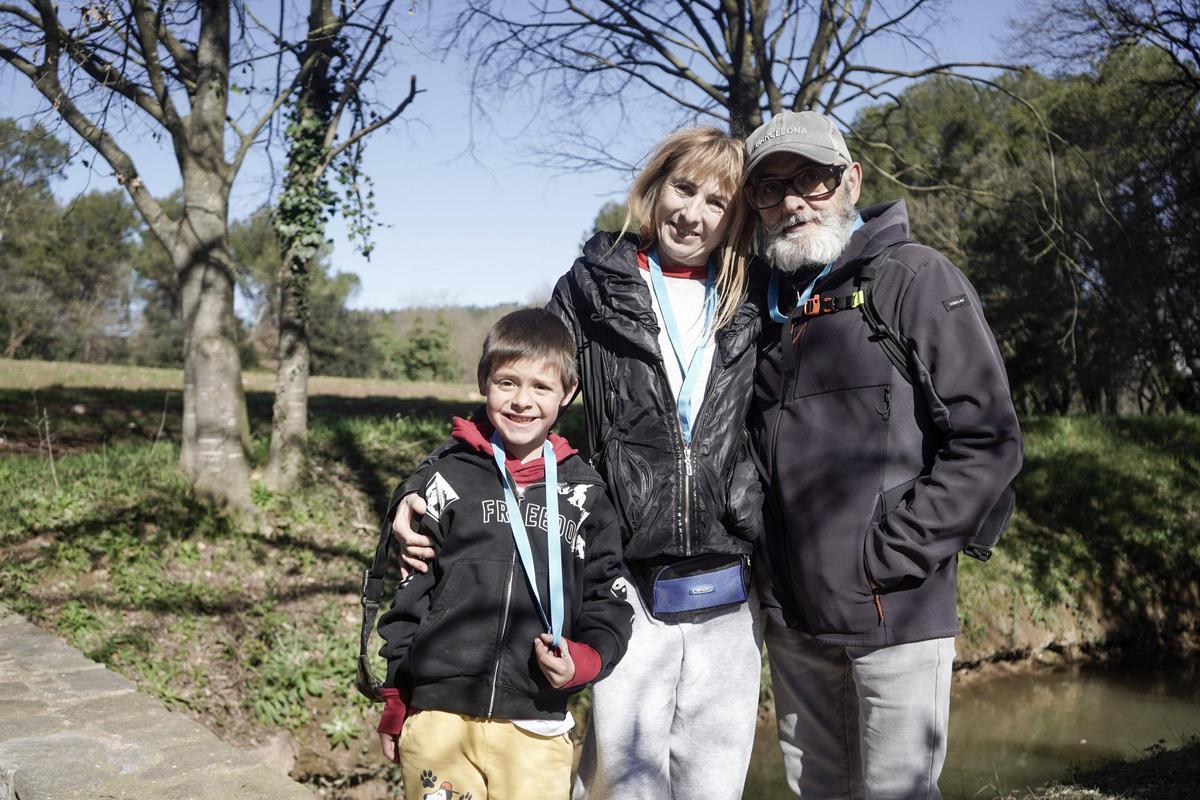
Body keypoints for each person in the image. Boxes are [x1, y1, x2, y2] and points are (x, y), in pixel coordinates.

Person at [389, 127, 768, 799]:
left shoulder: (753, 300)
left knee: (714, 784)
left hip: (728, 578)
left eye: (718, 200)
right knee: (621, 782)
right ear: (655, 188)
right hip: (623, 572)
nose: (694, 212)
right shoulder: (594, 286)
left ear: (736, 214)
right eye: (683, 188)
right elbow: (522, 392)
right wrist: (420, 486)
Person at [742, 110, 1024, 799]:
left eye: (813, 178)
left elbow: (987, 441)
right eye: (772, 187)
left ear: (851, 181)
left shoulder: (914, 278)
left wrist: (889, 558)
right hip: (792, 621)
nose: (794, 200)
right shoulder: (757, 303)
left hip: (894, 611)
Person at [374, 308, 633, 800]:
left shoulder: (586, 494)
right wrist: (395, 693)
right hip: (439, 720)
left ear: (568, 394)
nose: (521, 401)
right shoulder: (446, 479)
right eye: (507, 382)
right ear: (483, 383)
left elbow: (610, 598)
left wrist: (587, 658)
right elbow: (411, 592)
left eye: (541, 387)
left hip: (535, 721)